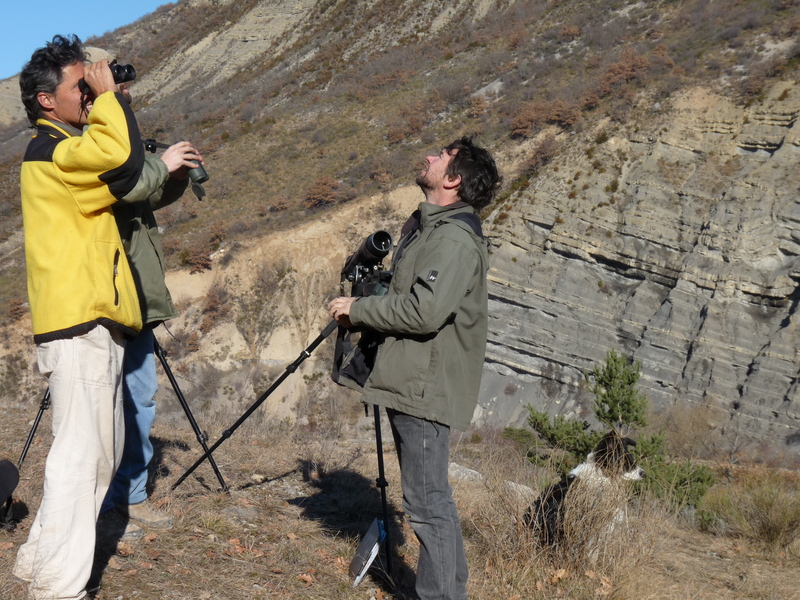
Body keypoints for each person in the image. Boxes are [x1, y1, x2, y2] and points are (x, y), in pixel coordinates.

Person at [328, 137, 501, 600]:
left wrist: (359, 311)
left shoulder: (453, 239)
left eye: (439, 156)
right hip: (414, 380)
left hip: (425, 387)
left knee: (427, 504)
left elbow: (424, 312)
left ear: (453, 179)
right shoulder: (431, 228)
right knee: (431, 501)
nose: (427, 156)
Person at [13, 34, 144, 599]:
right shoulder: (51, 152)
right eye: (78, 86)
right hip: (78, 324)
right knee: (80, 457)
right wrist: (110, 97)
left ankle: (38, 563)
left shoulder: (67, 148)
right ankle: (58, 589)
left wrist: (112, 99)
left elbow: (124, 166)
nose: (88, 94)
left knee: (96, 456)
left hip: (94, 322)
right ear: (47, 101)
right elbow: (120, 156)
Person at [101, 80, 203, 539]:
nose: (123, 91)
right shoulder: (88, 144)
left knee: (138, 396)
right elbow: (124, 190)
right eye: (112, 84)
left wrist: (175, 175)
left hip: (138, 296)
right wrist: (160, 165)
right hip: (105, 294)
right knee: (101, 401)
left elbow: (146, 195)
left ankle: (131, 494)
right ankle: (103, 497)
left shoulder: (117, 137)